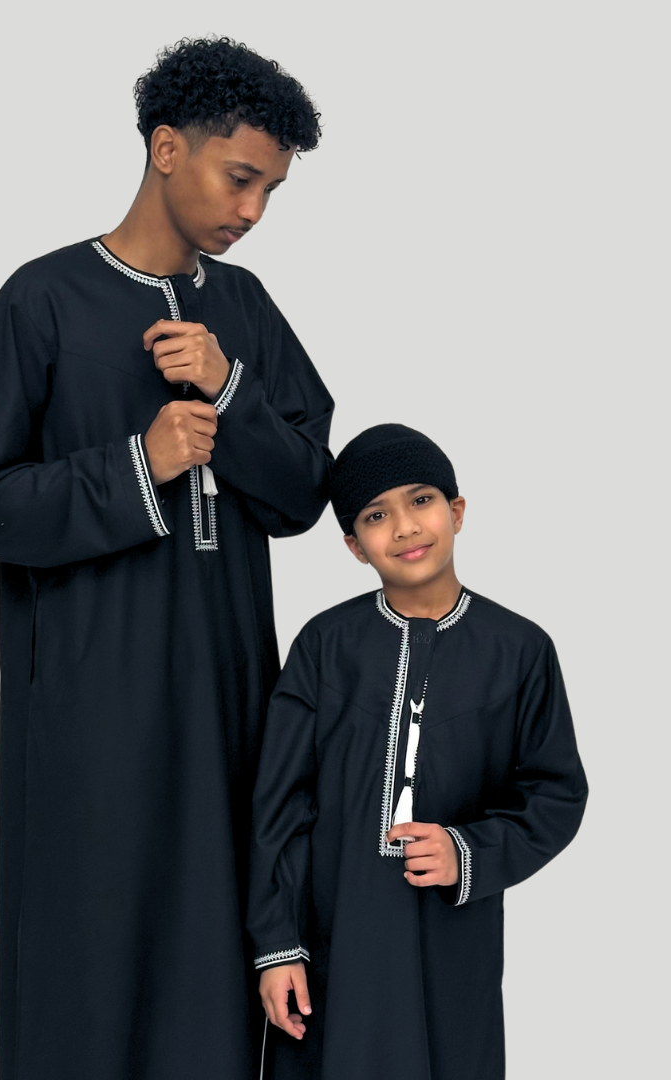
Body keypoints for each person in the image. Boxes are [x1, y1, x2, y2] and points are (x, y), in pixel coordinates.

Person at [0, 37, 333, 1080]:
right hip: (91, 703)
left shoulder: (243, 310)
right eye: (239, 178)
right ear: (166, 148)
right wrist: (135, 466)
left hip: (231, 700)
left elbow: (304, 492)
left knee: (218, 958)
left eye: (271, 190)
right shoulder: (44, 302)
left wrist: (233, 393)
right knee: (90, 952)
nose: (253, 210)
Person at [248, 425, 587, 1080]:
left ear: (456, 511)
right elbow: (278, 806)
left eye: (421, 500)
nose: (404, 527)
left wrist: (468, 851)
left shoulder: (519, 651)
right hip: (334, 939)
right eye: (375, 516)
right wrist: (277, 945)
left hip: (451, 940)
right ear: (354, 546)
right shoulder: (325, 646)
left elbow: (556, 794)